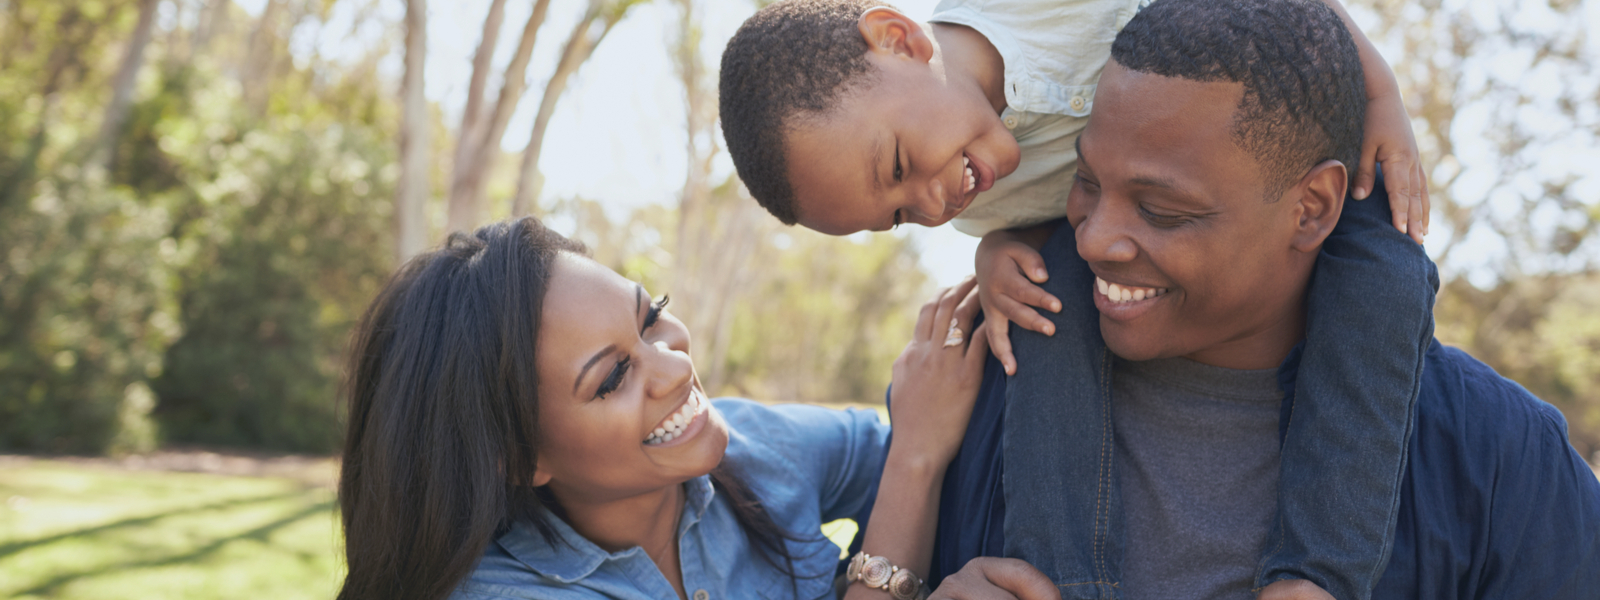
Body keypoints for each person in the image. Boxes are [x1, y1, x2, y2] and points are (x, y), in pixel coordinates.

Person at [719, 1, 1433, 597]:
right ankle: (1060, 578)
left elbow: (1285, 15)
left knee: (1389, 273)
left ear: (899, 39)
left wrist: (1378, 97)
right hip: (1137, 251)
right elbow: (1040, 223)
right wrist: (993, 249)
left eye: (901, 165)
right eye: (900, 215)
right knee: (1040, 302)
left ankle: (1317, 575)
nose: (933, 202)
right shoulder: (973, 198)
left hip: (1291, 170)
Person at [921, 0, 1600, 598]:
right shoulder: (969, 399)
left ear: (1313, 207)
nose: (1096, 240)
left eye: (1162, 210)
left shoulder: (1503, 462)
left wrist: (1383, 97)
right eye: (1088, 182)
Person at [335, 217, 991, 600]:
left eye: (651, 319)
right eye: (614, 376)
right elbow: (916, 452)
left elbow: (961, 459)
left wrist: (1009, 256)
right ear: (518, 457)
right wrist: (914, 462)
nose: (676, 367)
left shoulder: (755, 445)